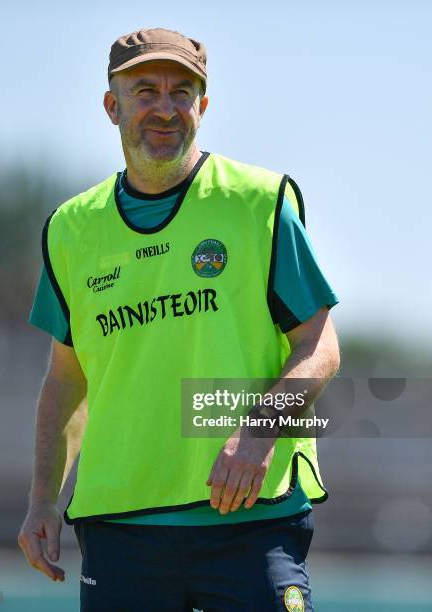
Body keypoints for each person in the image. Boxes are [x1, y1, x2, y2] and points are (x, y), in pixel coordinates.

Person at [18, 27, 340, 612]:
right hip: (120, 530)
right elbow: (66, 380)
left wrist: (259, 433)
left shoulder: (257, 202)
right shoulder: (70, 228)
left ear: (204, 106)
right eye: (145, 91)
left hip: (250, 519)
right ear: (112, 105)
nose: (165, 108)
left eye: (182, 91)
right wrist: (43, 501)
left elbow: (320, 346)